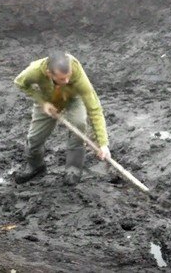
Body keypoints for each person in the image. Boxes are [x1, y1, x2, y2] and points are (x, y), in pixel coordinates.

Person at [12, 50, 111, 185]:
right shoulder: (34, 71)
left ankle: (73, 169)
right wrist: (43, 102)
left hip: (73, 98)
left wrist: (103, 144)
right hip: (48, 99)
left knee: (79, 123)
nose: (67, 80)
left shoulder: (77, 73)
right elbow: (20, 83)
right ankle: (36, 166)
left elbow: (94, 108)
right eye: (62, 79)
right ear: (49, 73)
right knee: (34, 138)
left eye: (68, 76)